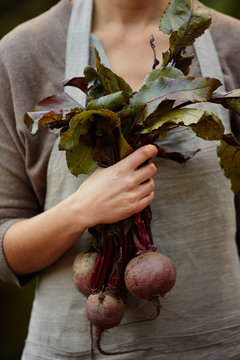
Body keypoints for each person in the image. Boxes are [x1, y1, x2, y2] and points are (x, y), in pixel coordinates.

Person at [0, 0, 240, 359]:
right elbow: (5, 250)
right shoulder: (21, 53)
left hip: (217, 344)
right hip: (72, 349)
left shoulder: (232, 42)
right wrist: (80, 210)